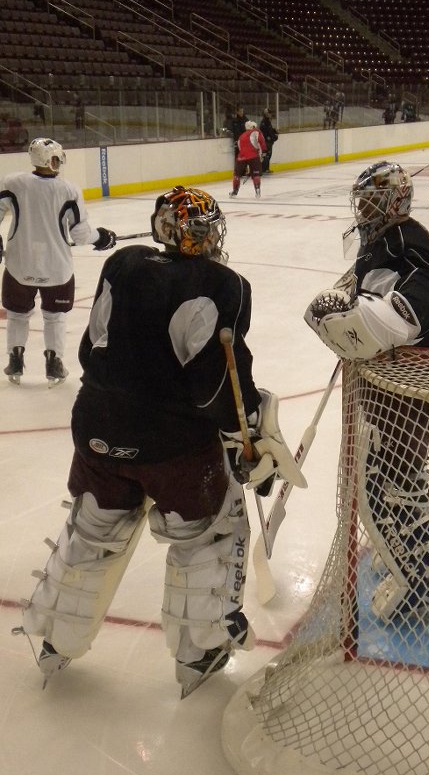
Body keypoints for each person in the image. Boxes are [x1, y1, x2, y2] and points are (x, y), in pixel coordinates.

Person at [13, 186, 306, 698]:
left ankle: (58, 636)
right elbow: (216, 387)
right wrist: (246, 436)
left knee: (94, 527)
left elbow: (89, 349)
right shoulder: (225, 284)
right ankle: (200, 650)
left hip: (96, 427)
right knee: (210, 530)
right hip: (171, 445)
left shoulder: (123, 263)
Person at [303, 161, 429, 623]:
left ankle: (428, 584)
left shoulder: (406, 238)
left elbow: (424, 306)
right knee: (387, 475)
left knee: (396, 479)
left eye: (371, 202)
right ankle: (407, 558)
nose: (363, 210)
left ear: (393, 202)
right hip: (392, 381)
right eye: (361, 202)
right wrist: (346, 310)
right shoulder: (381, 242)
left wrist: (356, 326)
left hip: (414, 382)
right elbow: (361, 292)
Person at [0, 137, 116, 386]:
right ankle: (54, 362)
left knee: (17, 314)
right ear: (45, 159)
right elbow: (81, 235)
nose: (58, 163)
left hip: (19, 265)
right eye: (55, 159)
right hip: (57, 268)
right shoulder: (69, 190)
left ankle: (15, 358)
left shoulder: (13, 182)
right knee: (54, 316)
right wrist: (101, 237)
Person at [229, 121, 267, 199]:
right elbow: (261, 140)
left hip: (241, 157)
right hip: (254, 156)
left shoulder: (241, 136)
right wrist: (264, 151)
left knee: (237, 174)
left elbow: (239, 147)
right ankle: (257, 190)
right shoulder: (256, 131)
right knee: (256, 174)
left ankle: (234, 191)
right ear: (253, 127)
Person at [259, 108, 278, 174]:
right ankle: (263, 169)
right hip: (266, 141)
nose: (270, 114)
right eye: (268, 113)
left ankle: (266, 169)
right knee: (266, 155)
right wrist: (269, 137)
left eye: (270, 113)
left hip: (269, 141)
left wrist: (274, 132)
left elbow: (269, 130)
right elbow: (264, 132)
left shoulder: (267, 121)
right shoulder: (264, 122)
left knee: (268, 155)